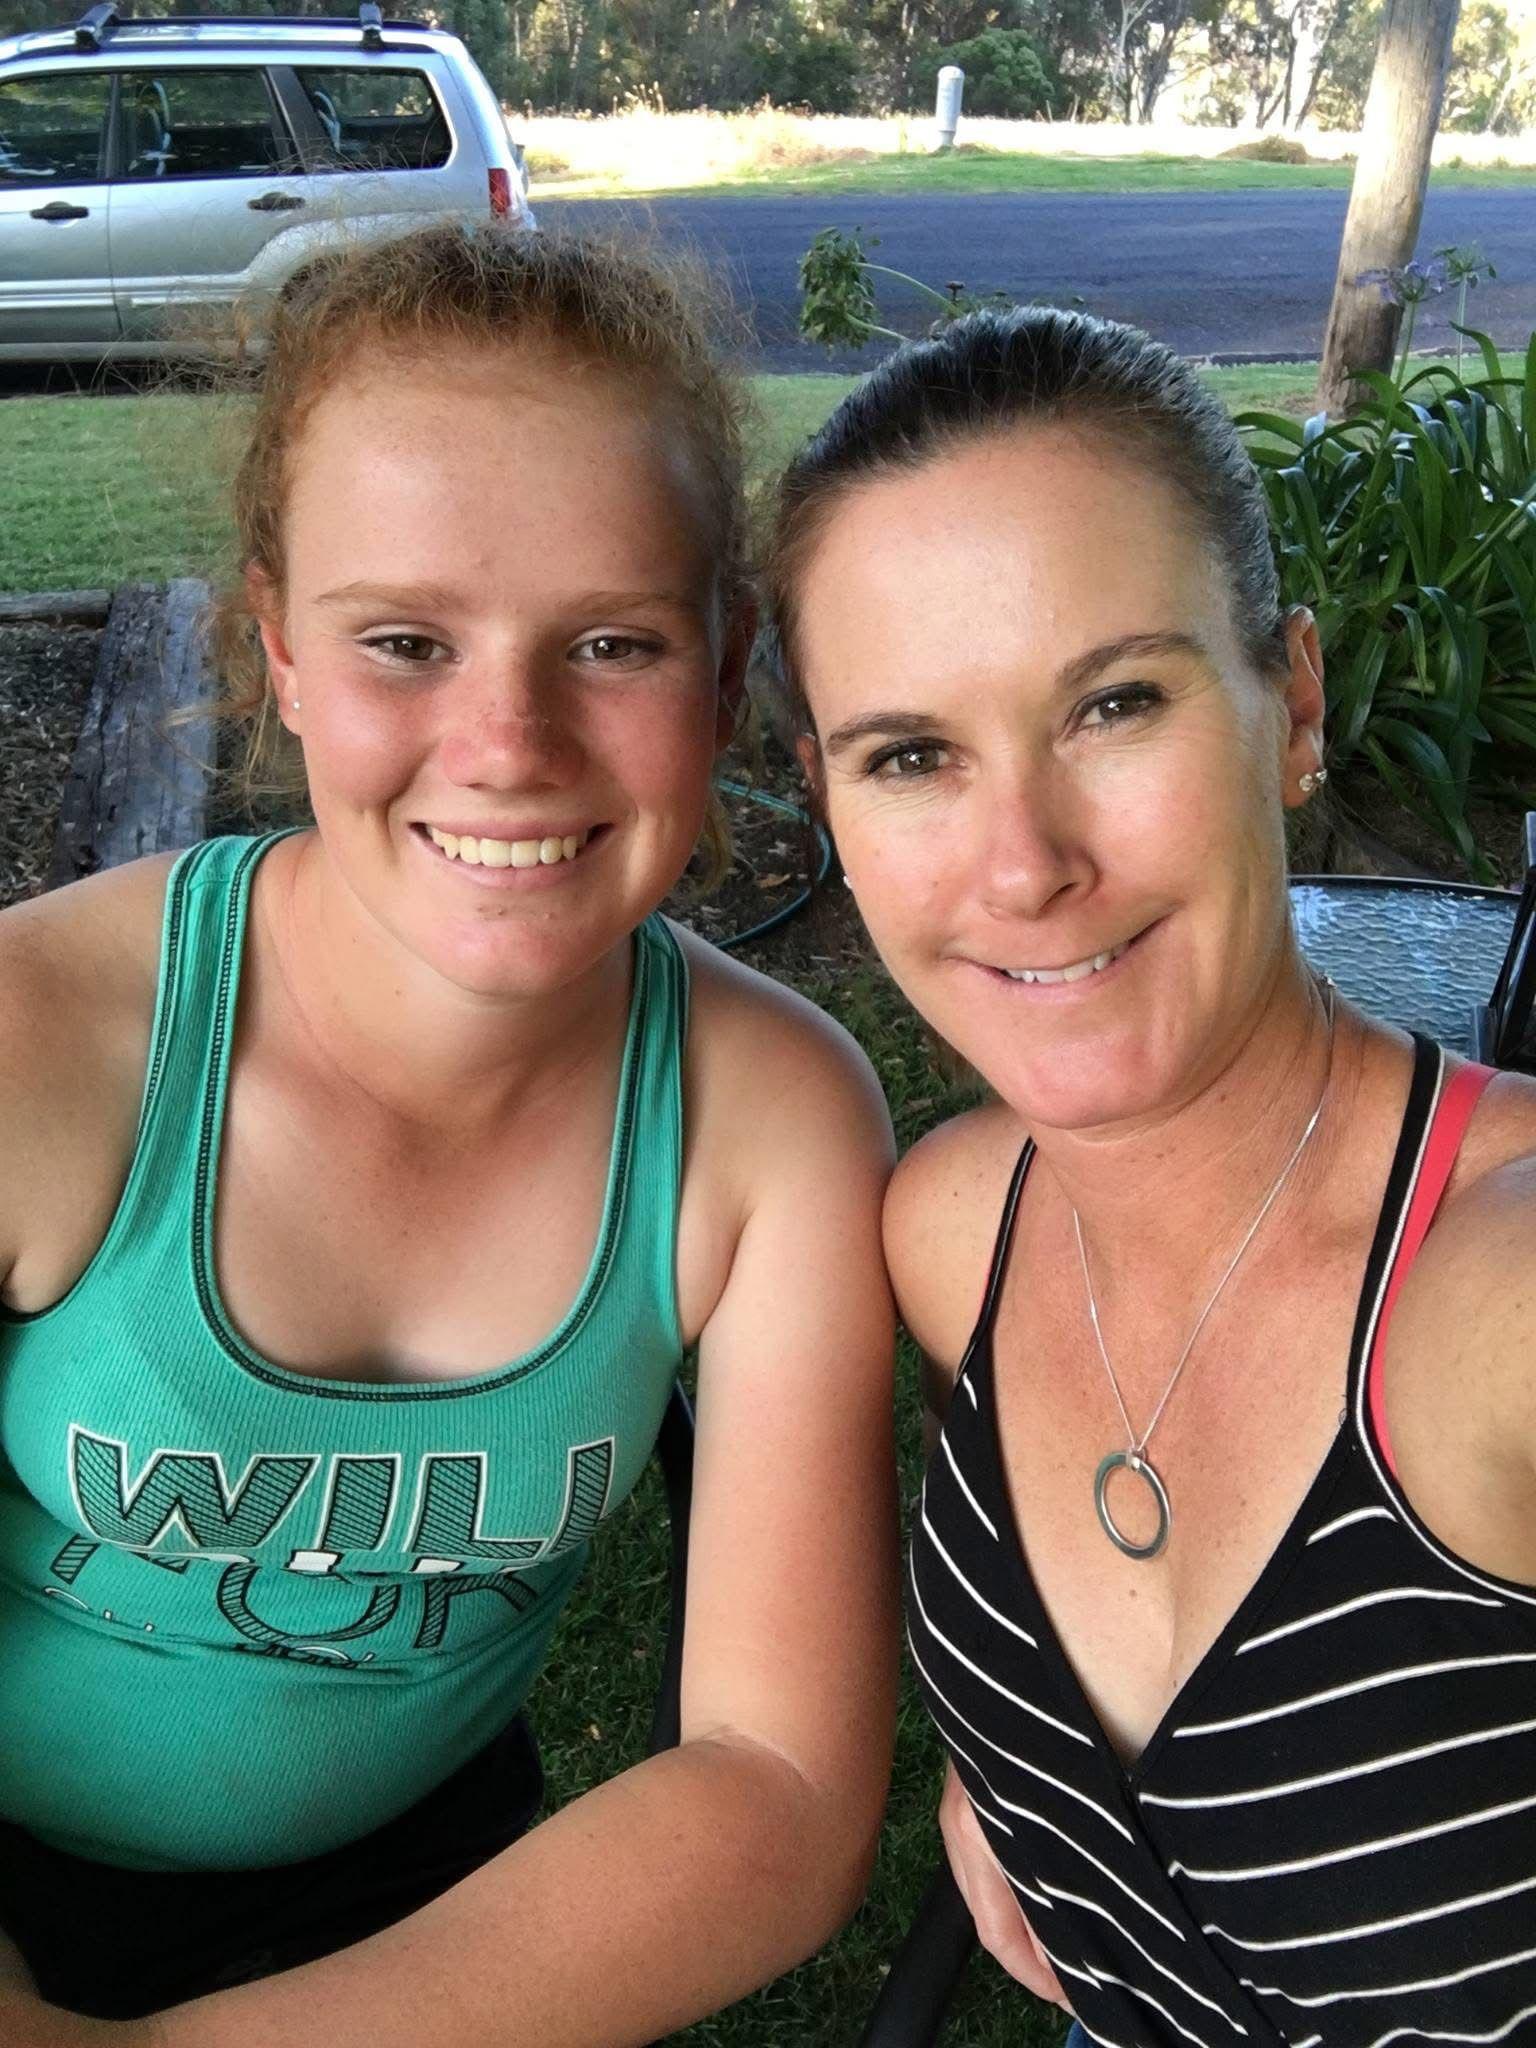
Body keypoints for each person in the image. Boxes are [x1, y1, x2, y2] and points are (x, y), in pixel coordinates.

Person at [0, 223, 899, 2048]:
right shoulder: (46, 1041)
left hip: (441, 1908)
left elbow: (780, 1781)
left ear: (728, 667)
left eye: (614, 644)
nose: (507, 743)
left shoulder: (770, 1124)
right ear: (279, 652)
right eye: (406, 642)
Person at [766, 306, 1536, 2047]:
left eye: (1114, 704)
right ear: (828, 800)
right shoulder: (953, 1234)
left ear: (1293, 706)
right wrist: (1012, 1777)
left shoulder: (1494, 1295)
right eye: (912, 756)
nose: (1024, 864)